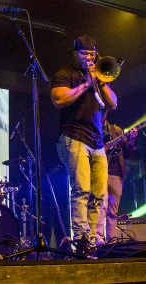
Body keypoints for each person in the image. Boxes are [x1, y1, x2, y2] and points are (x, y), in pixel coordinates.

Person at [51, 35, 118, 256]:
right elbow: (59, 99)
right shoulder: (65, 74)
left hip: (97, 142)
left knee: (100, 194)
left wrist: (99, 81)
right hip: (74, 136)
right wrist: (86, 83)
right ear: (75, 54)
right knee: (81, 190)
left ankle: (95, 239)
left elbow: (113, 103)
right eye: (84, 54)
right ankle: (80, 239)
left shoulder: (98, 79)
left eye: (92, 54)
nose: (88, 58)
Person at [97, 116, 137, 243]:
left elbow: (128, 152)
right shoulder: (92, 129)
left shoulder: (116, 130)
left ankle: (111, 240)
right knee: (100, 207)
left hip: (116, 174)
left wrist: (132, 140)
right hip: (99, 172)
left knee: (112, 212)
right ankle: (98, 239)